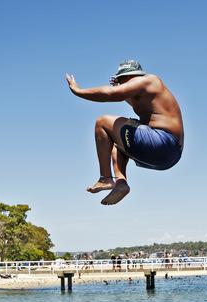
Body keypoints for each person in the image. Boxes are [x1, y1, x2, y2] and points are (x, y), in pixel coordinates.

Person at [66, 59, 184, 205]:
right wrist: (120, 87)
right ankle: (121, 182)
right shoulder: (144, 92)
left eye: (122, 80)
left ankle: (105, 178)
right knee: (116, 141)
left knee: (102, 122)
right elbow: (127, 96)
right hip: (168, 157)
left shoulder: (149, 80)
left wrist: (78, 91)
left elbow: (111, 94)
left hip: (163, 141)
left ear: (130, 76)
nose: (121, 84)